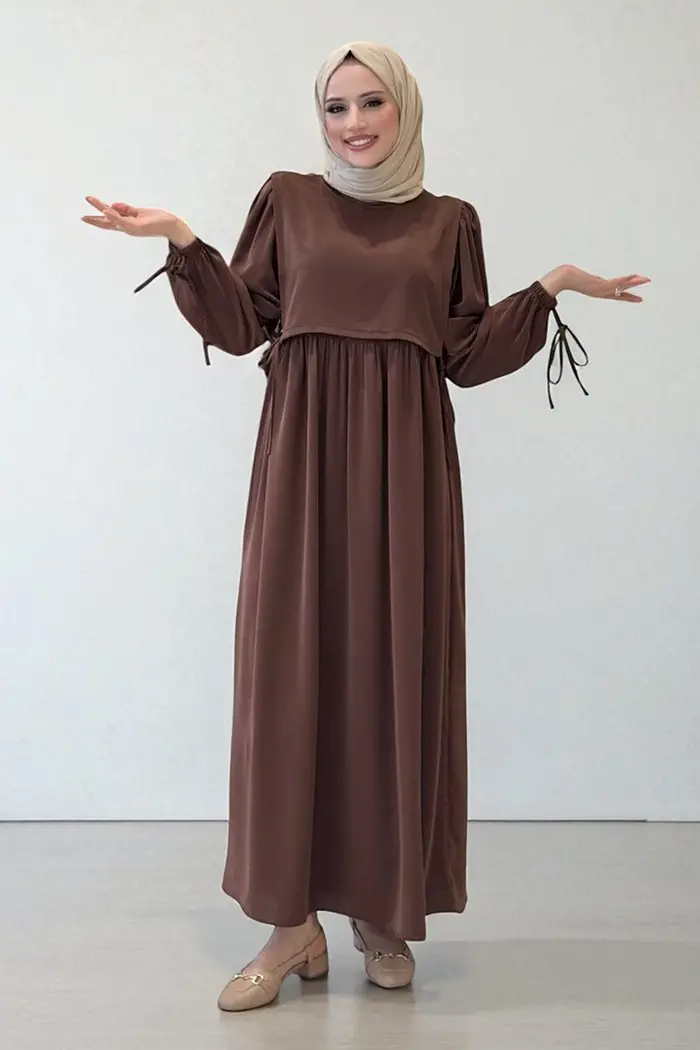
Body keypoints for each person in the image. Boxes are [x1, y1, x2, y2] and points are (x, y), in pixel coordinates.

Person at [82, 41, 649, 1013]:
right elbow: (240, 324)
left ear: (405, 108)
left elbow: (464, 353)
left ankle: (381, 914)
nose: (353, 123)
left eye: (371, 102)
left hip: (407, 475)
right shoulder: (288, 201)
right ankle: (289, 925)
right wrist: (181, 238)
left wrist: (549, 287)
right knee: (290, 676)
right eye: (335, 107)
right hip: (302, 464)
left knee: (392, 677)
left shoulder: (448, 222)